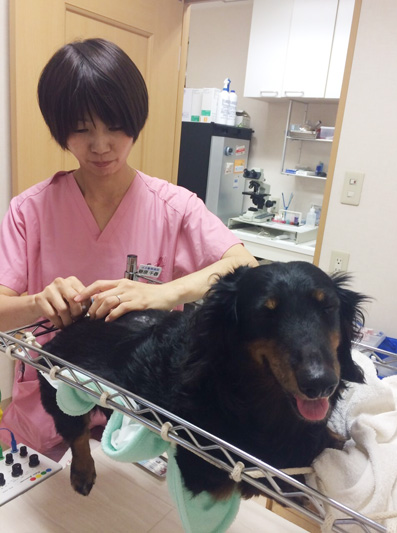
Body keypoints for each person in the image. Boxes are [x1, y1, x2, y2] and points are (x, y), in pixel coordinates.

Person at [0, 38, 257, 455]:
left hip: (140, 420)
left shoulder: (175, 208)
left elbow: (244, 267)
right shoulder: (29, 211)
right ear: (59, 128)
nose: (101, 145)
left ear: (136, 120)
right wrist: (38, 303)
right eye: (82, 129)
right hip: (45, 417)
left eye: (115, 126)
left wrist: (164, 292)